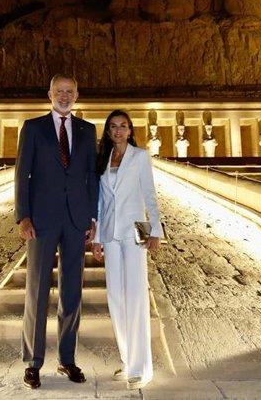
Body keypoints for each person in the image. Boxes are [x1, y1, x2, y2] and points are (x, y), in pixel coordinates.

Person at [15, 74, 99, 389]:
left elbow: (93, 177)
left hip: (77, 220)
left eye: (70, 91)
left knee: (72, 293)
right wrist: (22, 216)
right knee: (36, 292)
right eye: (59, 91)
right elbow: (22, 173)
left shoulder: (87, 131)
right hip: (41, 220)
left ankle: (67, 360)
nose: (64, 96)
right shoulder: (33, 128)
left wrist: (93, 218)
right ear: (49, 93)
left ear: (77, 95)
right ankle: (33, 363)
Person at [92, 110, 163, 390]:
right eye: (113, 127)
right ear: (108, 131)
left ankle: (141, 368)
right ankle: (127, 359)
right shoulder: (104, 159)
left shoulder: (140, 157)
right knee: (115, 298)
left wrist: (155, 231)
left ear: (131, 131)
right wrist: (96, 237)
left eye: (123, 126)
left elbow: (150, 195)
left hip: (135, 234)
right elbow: (100, 201)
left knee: (135, 297)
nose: (118, 131)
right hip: (110, 233)